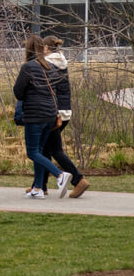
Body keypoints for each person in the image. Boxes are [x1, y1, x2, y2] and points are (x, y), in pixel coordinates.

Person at [15, 34, 73, 199]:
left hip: (35, 115)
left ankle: (60, 175)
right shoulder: (51, 67)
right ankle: (38, 188)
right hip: (50, 115)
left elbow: (18, 92)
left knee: (32, 152)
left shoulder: (28, 67)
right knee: (39, 150)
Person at [42, 36, 88, 198]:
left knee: (54, 149)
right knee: (45, 148)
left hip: (55, 112)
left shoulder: (48, 64)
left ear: (47, 48)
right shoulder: (60, 61)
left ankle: (78, 179)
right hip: (65, 110)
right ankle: (41, 185)